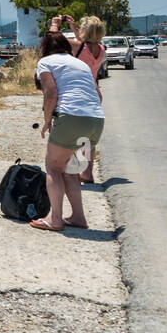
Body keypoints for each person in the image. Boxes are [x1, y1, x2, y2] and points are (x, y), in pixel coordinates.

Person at [31, 31, 105, 231]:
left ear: (46, 48)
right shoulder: (81, 64)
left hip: (71, 118)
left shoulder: (45, 62)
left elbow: (50, 93)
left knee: (54, 167)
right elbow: (98, 94)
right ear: (66, 46)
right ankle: (78, 217)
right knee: (71, 170)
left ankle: (55, 219)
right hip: (96, 120)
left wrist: (47, 121)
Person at [50, 14, 106, 182]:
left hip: (76, 93)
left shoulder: (77, 46)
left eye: (82, 28)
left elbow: (53, 40)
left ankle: (67, 169)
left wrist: (55, 24)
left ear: (85, 31)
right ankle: (87, 172)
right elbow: (85, 46)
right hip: (94, 93)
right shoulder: (101, 49)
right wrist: (74, 27)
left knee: (70, 130)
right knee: (89, 138)